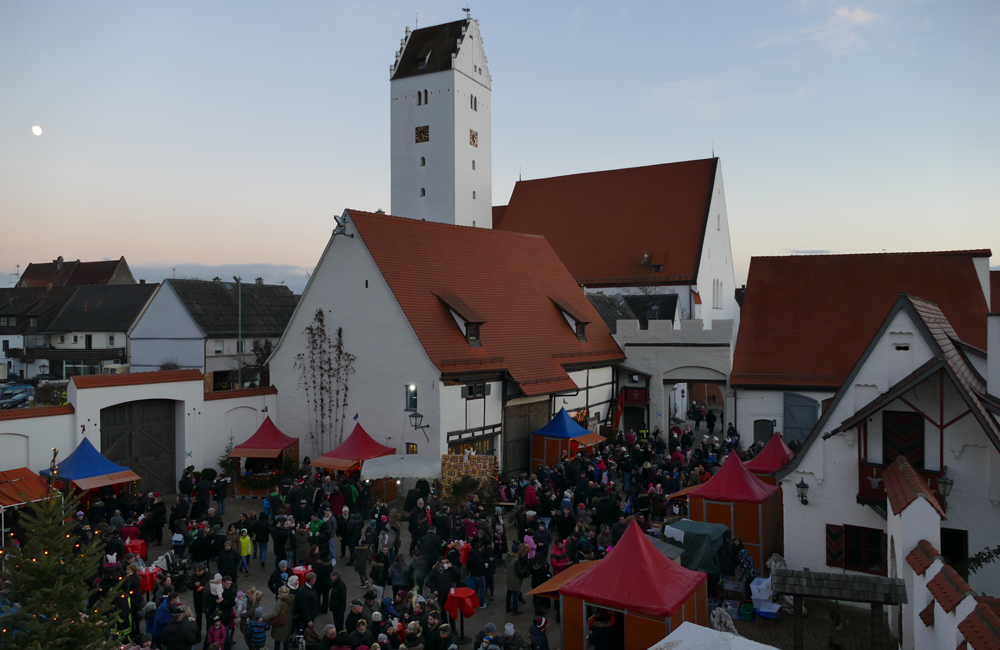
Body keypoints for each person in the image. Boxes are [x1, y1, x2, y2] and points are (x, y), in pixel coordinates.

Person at [266, 585, 296, 650]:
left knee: (277, 642)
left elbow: (274, 613)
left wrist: (264, 618)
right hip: (288, 622)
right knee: (286, 640)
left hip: (280, 623)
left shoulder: (280, 601)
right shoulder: (291, 599)